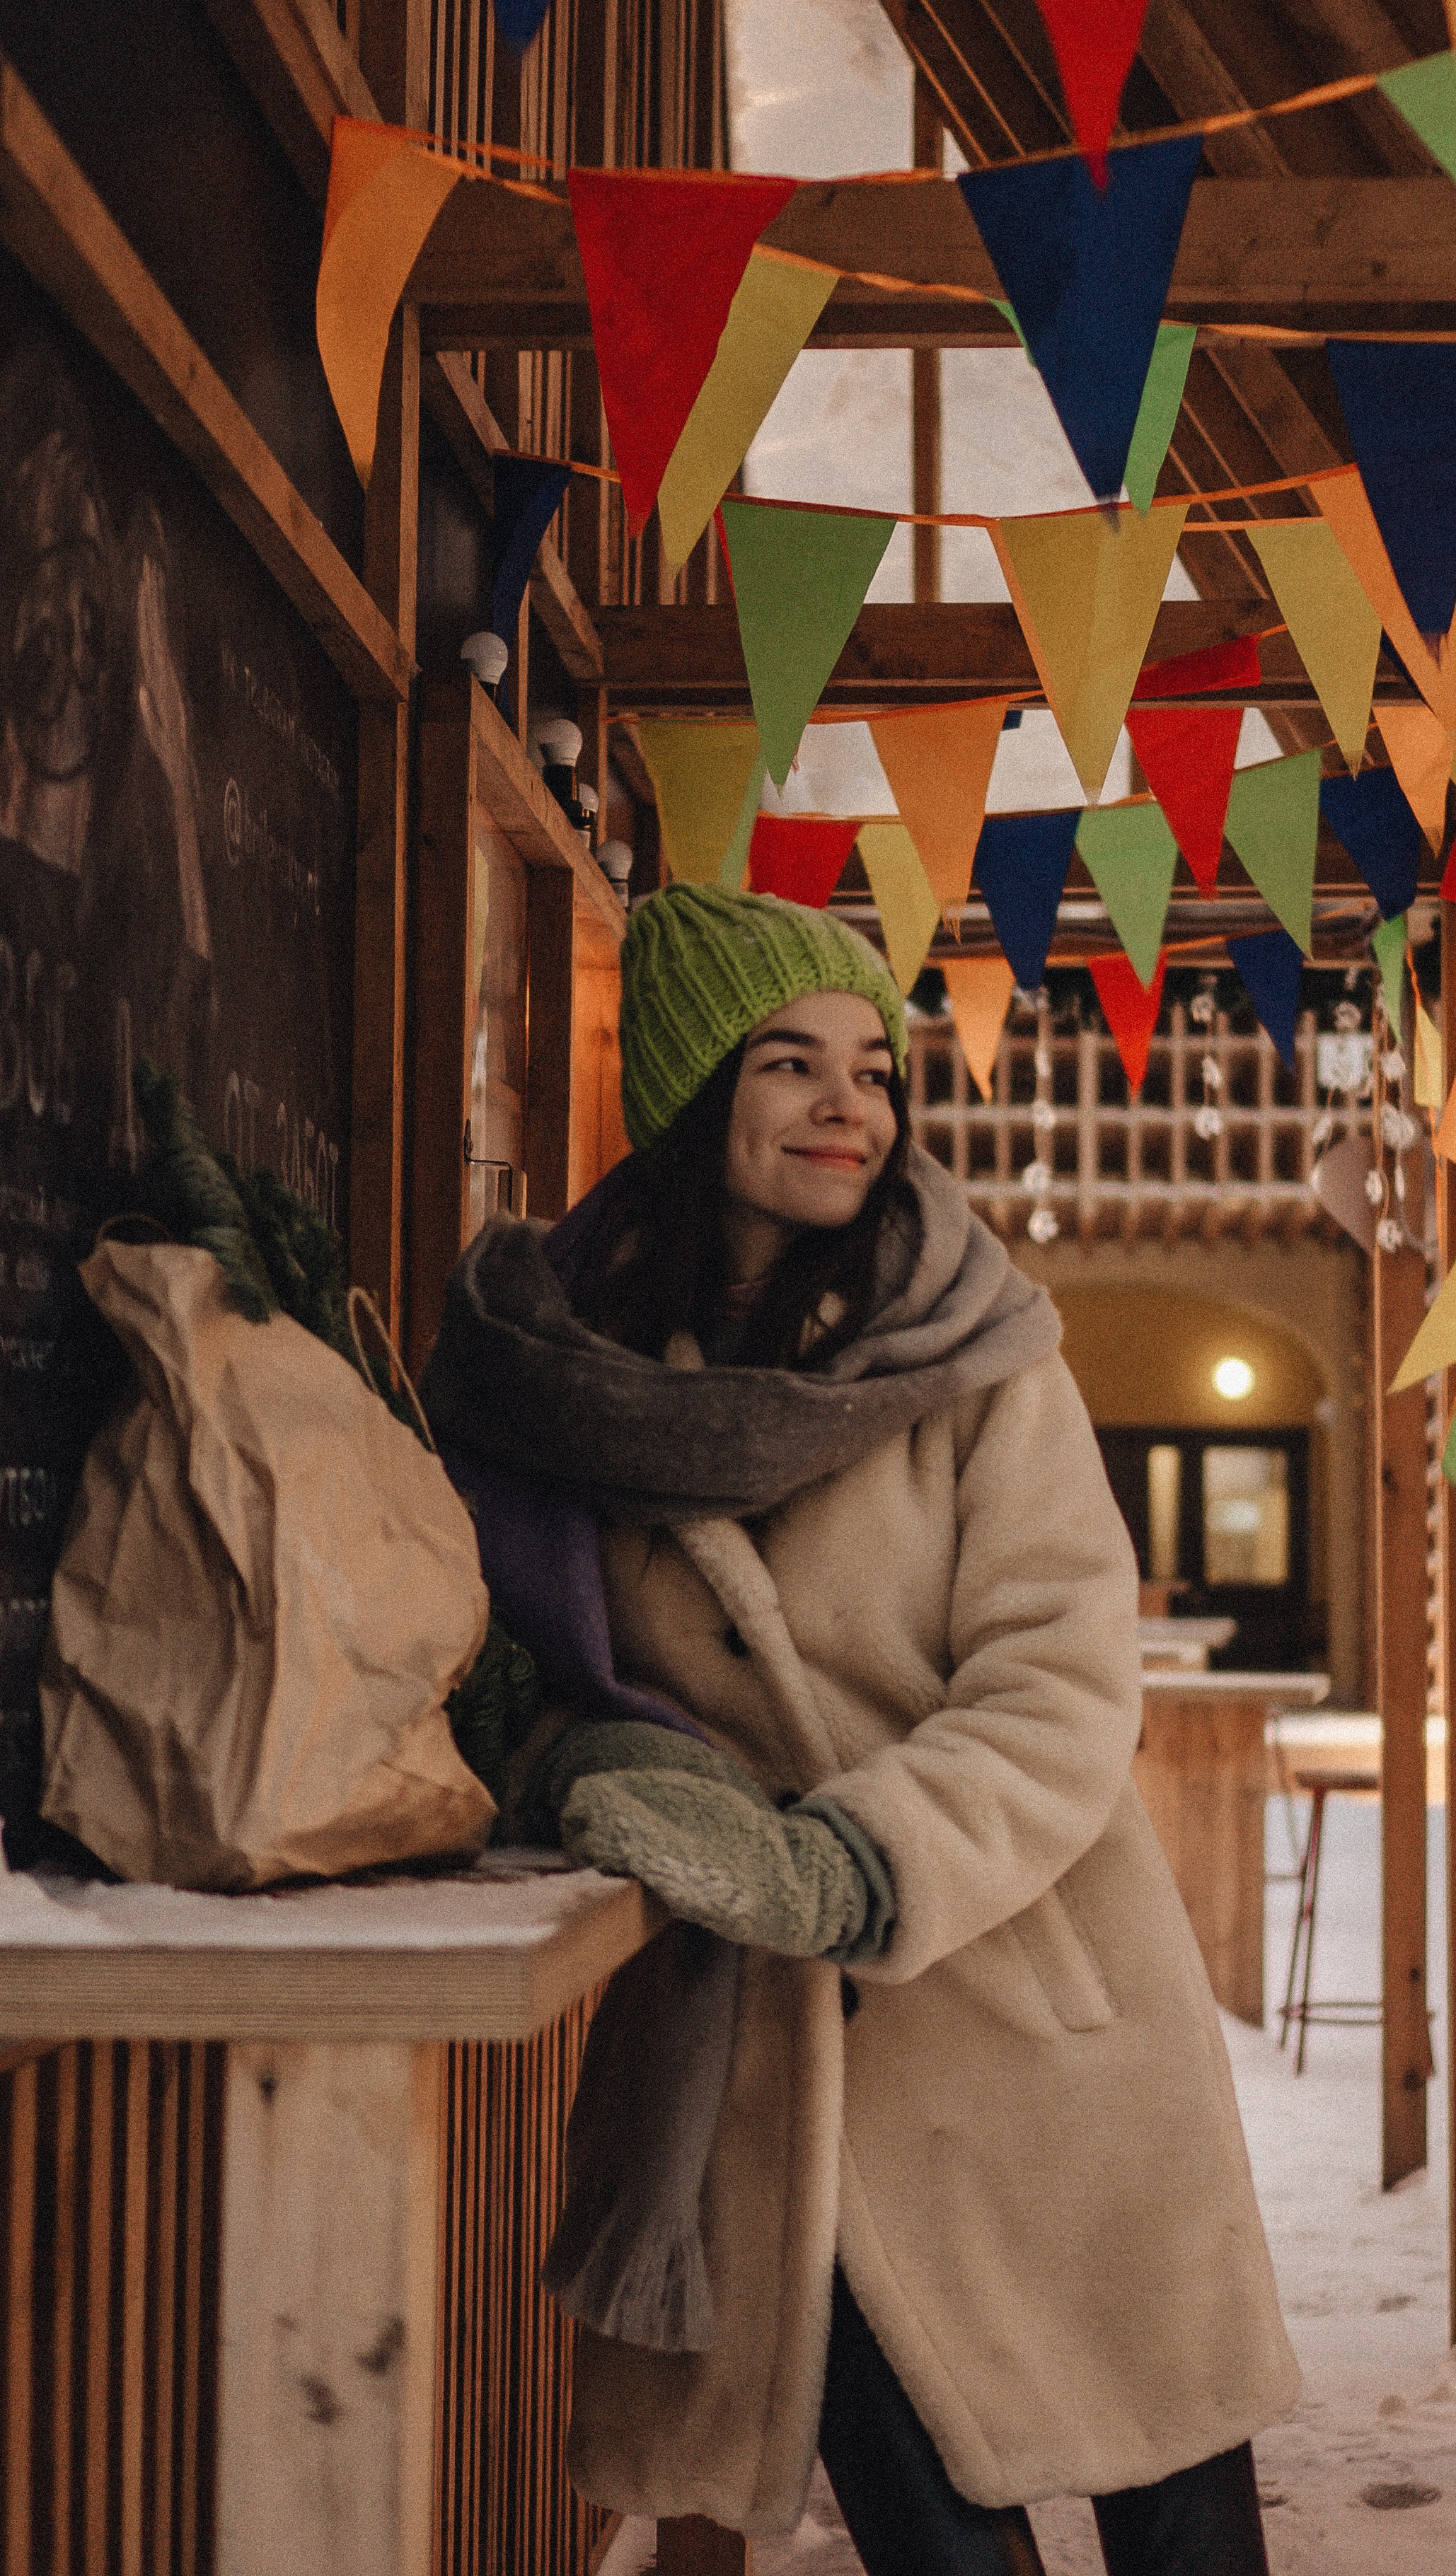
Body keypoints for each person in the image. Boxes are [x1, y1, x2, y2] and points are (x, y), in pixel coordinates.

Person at [426, 883, 1299, 2576]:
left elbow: (1059, 1682)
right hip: (772, 2070)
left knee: (1177, 2517)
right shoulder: (556, 1375)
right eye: (790, 1063)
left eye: (873, 1070)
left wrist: (854, 1863)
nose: (850, 1106)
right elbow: (489, 1652)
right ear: (694, 1095)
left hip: (1026, 2000)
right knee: (933, 2534)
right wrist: (590, 1767)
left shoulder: (978, 1354)